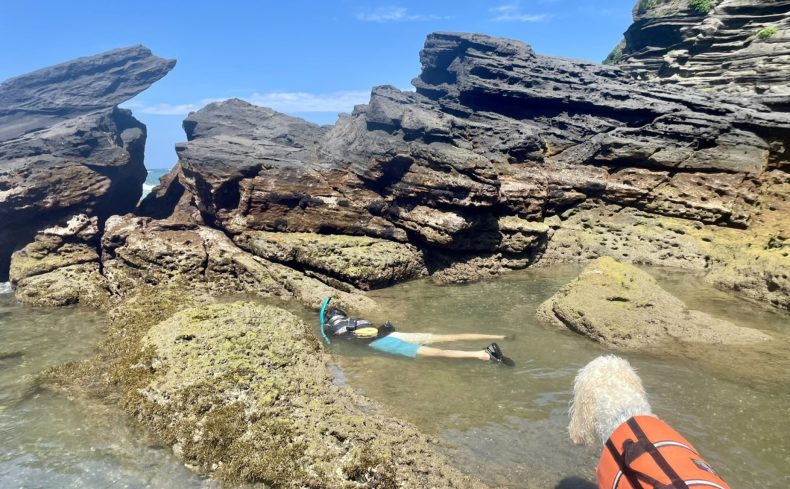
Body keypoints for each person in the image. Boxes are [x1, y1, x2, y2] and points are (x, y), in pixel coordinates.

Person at [321, 304, 515, 366]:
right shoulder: (356, 320)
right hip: (392, 333)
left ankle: (482, 355)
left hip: (382, 343)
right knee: (447, 337)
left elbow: (332, 343)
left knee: (437, 352)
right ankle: (501, 336)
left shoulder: (333, 330)